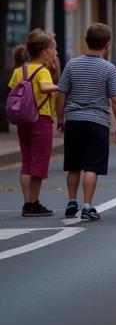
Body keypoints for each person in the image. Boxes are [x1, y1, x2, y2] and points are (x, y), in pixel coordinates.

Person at [56, 23, 116, 221]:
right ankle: (87, 205)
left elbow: (61, 93)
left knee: (73, 165)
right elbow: (115, 100)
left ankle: (71, 201)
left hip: (74, 121)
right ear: (108, 45)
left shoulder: (72, 64)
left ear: (86, 42)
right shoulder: (109, 69)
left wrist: (60, 119)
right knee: (92, 166)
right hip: (97, 122)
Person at [7, 29, 60, 216]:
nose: (53, 52)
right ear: (44, 52)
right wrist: (61, 86)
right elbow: (45, 87)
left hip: (23, 121)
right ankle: (34, 202)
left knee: (27, 162)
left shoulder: (19, 70)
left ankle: (26, 202)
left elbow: (13, 90)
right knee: (39, 162)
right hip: (41, 119)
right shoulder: (42, 71)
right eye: (52, 49)